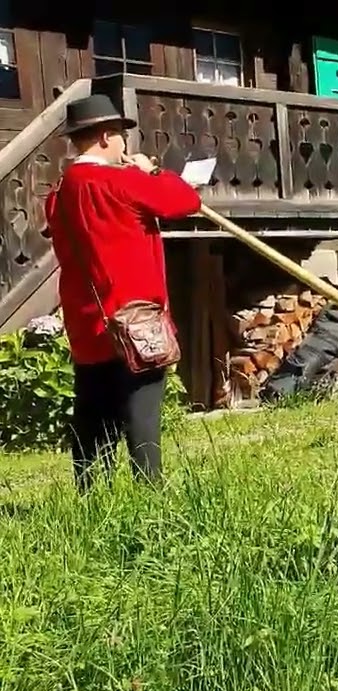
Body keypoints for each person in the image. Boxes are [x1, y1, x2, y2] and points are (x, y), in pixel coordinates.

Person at [44, 94, 203, 490]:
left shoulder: (61, 190)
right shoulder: (120, 181)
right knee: (141, 414)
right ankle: (149, 500)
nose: (125, 148)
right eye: (120, 138)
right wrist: (152, 172)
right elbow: (186, 201)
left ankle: (90, 495)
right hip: (135, 319)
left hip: (87, 321)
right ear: (104, 138)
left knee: (93, 412)